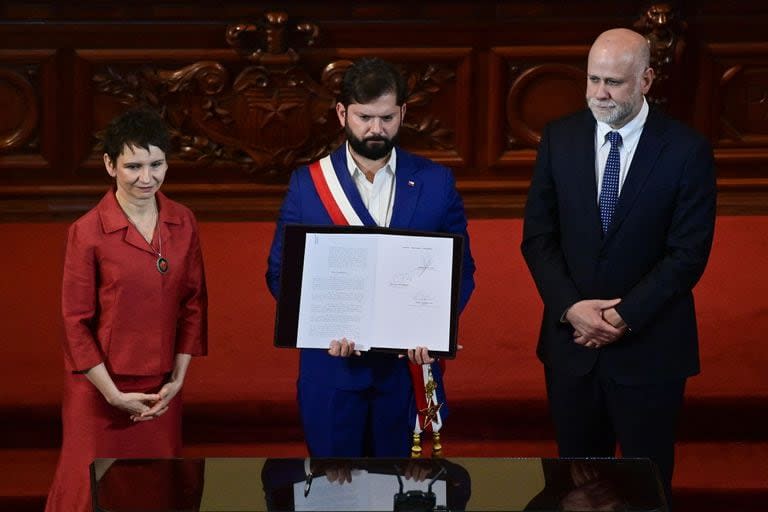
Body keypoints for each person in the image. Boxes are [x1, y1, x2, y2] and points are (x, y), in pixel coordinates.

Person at [521, 28, 716, 508]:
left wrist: (621, 316)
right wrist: (570, 308)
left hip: (650, 351)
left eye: (613, 82)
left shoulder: (687, 150)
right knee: (575, 490)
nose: (599, 94)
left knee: (645, 491)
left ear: (646, 79)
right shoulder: (559, 138)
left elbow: (687, 253)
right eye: (592, 80)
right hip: (572, 350)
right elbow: (538, 237)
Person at [266, 57, 475, 457]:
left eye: (387, 117)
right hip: (332, 371)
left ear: (403, 113)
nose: (376, 129)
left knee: (398, 490)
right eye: (364, 117)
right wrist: (320, 324)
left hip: (403, 372)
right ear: (342, 113)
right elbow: (281, 274)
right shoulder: (308, 184)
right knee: (334, 491)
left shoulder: (435, 182)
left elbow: (461, 271)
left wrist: (433, 328)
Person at [45, 108, 208, 512]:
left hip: (159, 391)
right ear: (109, 165)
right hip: (100, 389)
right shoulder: (86, 232)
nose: (146, 177)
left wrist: (177, 380)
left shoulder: (183, 221)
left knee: (155, 491)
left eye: (156, 164)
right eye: (133, 166)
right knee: (90, 495)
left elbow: (194, 304)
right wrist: (114, 394)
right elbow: (75, 323)